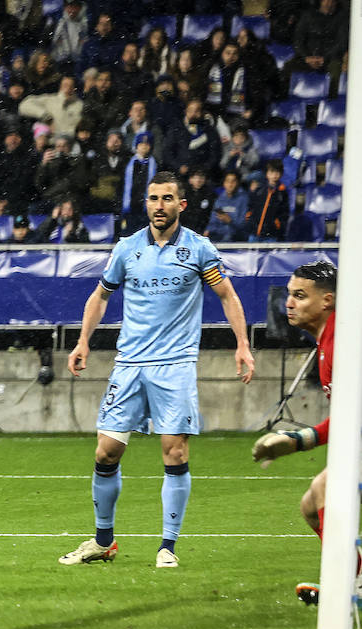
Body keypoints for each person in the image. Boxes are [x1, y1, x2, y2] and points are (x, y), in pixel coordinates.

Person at [62, 171, 255, 569]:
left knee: (175, 452)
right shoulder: (127, 249)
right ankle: (103, 541)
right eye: (153, 198)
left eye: (167, 198)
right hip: (129, 364)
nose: (159, 205)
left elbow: (227, 295)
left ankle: (167, 546)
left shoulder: (199, 250)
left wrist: (242, 344)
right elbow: (99, 297)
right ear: (146, 203)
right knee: (106, 451)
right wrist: (83, 341)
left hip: (175, 366)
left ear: (181, 205)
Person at [248, 260, 336, 604]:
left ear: (326, 301)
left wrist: (297, 440)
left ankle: (347, 584)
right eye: (289, 294)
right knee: (312, 504)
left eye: (300, 296)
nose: (289, 303)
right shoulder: (328, 342)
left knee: (327, 490)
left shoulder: (342, 343)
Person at [208, 170, 248, 242]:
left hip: (236, 236)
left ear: (238, 183)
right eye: (227, 181)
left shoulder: (244, 199)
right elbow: (213, 220)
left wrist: (230, 221)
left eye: (233, 181)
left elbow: (243, 225)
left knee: (228, 236)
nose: (230, 184)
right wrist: (208, 230)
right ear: (224, 183)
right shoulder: (220, 199)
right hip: (219, 235)